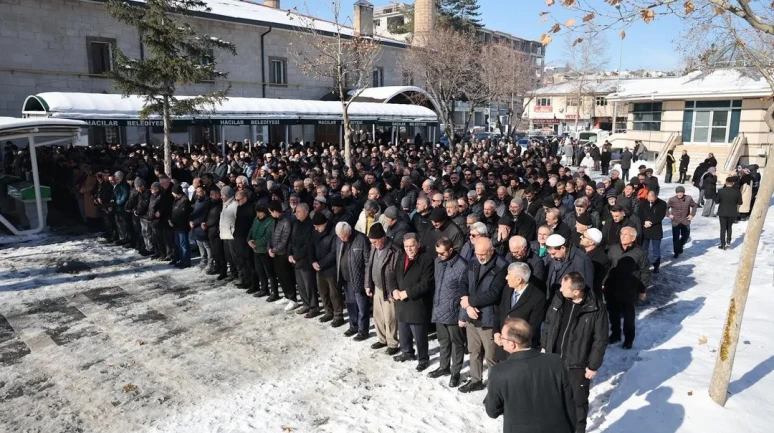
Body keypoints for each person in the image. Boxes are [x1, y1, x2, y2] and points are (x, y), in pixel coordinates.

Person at [541, 272, 609, 433]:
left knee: (578, 402)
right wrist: (545, 346)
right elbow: (549, 323)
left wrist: (593, 365)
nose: (561, 289)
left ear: (576, 291)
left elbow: (600, 340)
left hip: (577, 363)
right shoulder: (559, 298)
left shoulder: (596, 309)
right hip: (553, 359)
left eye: (564, 288)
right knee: (552, 397)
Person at [485, 318, 576, 433]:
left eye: (502, 338)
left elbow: (492, 411)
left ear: (512, 344)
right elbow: (570, 403)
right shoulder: (556, 361)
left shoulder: (499, 372)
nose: (500, 340)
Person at [459, 237, 508, 393]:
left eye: (483, 254)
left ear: (491, 251)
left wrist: (470, 302)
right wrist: (467, 305)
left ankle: (495, 386)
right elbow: (463, 283)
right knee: (474, 350)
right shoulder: (473, 261)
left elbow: (494, 294)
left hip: (488, 317)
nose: (479, 256)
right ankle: (475, 380)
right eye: (477, 253)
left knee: (491, 355)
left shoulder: (501, 266)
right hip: (471, 315)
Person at [428, 236, 468, 387]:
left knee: (457, 343)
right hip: (439, 309)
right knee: (443, 341)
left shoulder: (462, 266)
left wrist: (462, 316)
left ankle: (455, 372)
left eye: (442, 253)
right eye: (437, 253)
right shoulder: (438, 262)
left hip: (454, 312)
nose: (439, 256)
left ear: (451, 250)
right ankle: (443, 366)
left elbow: (465, 294)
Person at [393, 232, 435, 371]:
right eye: (406, 246)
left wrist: (407, 293)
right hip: (401, 301)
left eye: (412, 246)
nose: (409, 249)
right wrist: (394, 290)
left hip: (417, 303)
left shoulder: (426, 259)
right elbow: (393, 275)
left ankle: (423, 358)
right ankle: (407, 352)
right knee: (403, 329)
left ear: (418, 245)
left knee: (419, 334)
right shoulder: (401, 257)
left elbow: (426, 283)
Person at [606, 227, 651, 349]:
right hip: (612, 287)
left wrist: (642, 289)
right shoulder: (613, 249)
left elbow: (645, 271)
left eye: (626, 234)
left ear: (633, 237)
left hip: (629, 289)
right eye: (621, 233)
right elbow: (608, 266)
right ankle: (615, 334)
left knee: (628, 317)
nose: (622, 236)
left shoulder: (639, 252)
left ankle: (629, 339)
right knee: (613, 314)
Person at [493, 262, 546, 361]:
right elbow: (499, 311)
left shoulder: (537, 297)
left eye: (509, 275)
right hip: (502, 348)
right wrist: (496, 332)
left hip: (520, 351)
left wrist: (511, 341)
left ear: (519, 279)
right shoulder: (507, 289)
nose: (506, 278)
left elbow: (533, 327)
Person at [364, 222, 401, 354]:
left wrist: (395, 289)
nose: (373, 245)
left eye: (374, 242)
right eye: (371, 242)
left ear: (382, 238)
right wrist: (368, 284)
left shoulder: (395, 250)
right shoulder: (374, 247)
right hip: (377, 287)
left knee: (390, 317)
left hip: (389, 288)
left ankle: (392, 343)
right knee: (378, 315)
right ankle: (382, 339)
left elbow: (397, 271)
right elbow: (370, 265)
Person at [334, 221, 371, 340]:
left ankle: (363, 330)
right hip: (346, 279)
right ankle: (353, 325)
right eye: (340, 236)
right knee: (350, 304)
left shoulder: (361, 239)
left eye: (344, 236)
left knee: (362, 307)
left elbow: (367, 263)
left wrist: (367, 282)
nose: (342, 239)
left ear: (350, 232)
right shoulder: (339, 239)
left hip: (358, 279)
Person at [311, 212, 345, 325]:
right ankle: (328, 312)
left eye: (318, 226)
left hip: (331, 268)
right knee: (322, 291)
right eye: (314, 227)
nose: (316, 229)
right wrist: (313, 261)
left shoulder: (333, 232)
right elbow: (310, 246)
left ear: (324, 224)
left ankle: (338, 314)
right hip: (319, 268)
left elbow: (334, 252)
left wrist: (321, 263)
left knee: (334, 293)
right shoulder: (315, 231)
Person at [289, 203, 319, 317]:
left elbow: (307, 245)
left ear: (306, 213)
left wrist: (295, 256)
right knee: (301, 285)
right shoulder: (296, 223)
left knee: (309, 285)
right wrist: (289, 254)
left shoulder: (310, 226)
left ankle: (313, 307)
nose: (296, 214)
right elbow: (291, 240)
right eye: (296, 212)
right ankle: (306, 304)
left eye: (298, 212)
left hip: (305, 260)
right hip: (295, 260)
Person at [545, 234, 594, 298]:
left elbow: (586, 286)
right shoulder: (555, 257)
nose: (552, 257)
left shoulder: (581, 260)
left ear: (563, 248)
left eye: (554, 253)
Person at [268, 200, 297, 306]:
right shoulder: (274, 221)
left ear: (275, 211)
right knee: (280, 276)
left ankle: (292, 299)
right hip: (275, 254)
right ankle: (286, 295)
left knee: (287, 277)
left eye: (271, 212)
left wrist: (273, 250)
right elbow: (271, 236)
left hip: (283, 254)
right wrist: (269, 248)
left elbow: (285, 240)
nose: (270, 214)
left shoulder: (286, 221)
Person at [247, 204, 275, 297]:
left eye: (260, 212)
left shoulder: (270, 221)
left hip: (264, 251)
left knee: (269, 272)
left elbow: (267, 237)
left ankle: (274, 291)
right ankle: (264, 289)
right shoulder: (256, 219)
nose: (258, 214)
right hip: (256, 250)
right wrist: (249, 240)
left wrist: (255, 242)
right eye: (257, 212)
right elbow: (251, 230)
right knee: (260, 271)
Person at [639, 190, 667, 272]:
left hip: (656, 229)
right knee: (644, 249)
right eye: (649, 198)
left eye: (652, 199)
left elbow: (661, 216)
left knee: (656, 249)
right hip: (645, 229)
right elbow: (640, 214)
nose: (650, 201)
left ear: (656, 197)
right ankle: (644, 265)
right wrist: (644, 221)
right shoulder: (643, 203)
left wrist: (651, 223)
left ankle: (656, 266)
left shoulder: (662, 203)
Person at [666, 186, 697, 258]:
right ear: (676, 193)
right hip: (675, 221)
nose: (680, 194)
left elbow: (695, 206)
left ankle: (680, 245)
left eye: (681, 192)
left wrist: (692, 214)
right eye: (678, 193)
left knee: (686, 236)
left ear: (683, 192)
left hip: (685, 221)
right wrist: (669, 214)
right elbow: (666, 208)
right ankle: (676, 252)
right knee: (675, 237)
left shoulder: (688, 198)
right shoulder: (672, 200)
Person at [169, 184, 193, 268]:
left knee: (183, 245)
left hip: (182, 226)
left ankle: (186, 261)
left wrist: (173, 221)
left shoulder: (184, 200)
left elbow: (182, 214)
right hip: (176, 226)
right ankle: (182, 259)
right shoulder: (177, 199)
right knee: (179, 244)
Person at [579, 228, 609, 295]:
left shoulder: (601, 258)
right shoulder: (581, 251)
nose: (581, 237)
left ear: (591, 242)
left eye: (583, 236)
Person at [716, 177, 743, 250]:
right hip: (732, 212)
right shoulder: (737, 192)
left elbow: (717, 201)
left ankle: (722, 244)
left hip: (722, 211)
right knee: (729, 227)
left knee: (723, 228)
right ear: (733, 183)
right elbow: (740, 202)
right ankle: (728, 241)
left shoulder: (721, 191)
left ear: (726, 182)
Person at [189, 186, 212, 269]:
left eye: (200, 192)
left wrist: (194, 222)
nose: (198, 194)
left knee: (206, 245)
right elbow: (193, 213)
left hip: (202, 226)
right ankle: (203, 260)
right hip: (195, 227)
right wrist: (190, 221)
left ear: (204, 192)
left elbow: (203, 215)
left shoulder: (207, 202)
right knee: (200, 245)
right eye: (197, 192)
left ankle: (210, 262)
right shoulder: (197, 201)